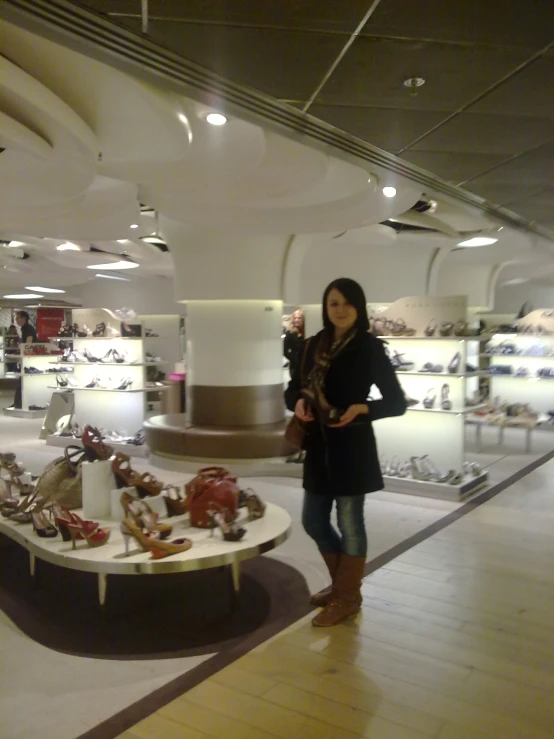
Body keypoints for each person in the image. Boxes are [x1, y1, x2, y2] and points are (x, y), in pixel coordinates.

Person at [285, 278, 406, 627]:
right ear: (325, 307)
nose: (339, 310)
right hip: (319, 446)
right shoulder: (310, 346)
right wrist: (298, 404)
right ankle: (344, 588)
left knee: (351, 524)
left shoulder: (369, 348)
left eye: (347, 303)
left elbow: (396, 403)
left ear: (359, 307)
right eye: (333, 303)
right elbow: (293, 389)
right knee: (313, 520)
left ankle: (346, 597)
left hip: (352, 447)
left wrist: (362, 409)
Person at [8, 311, 37, 410]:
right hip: (27, 357)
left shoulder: (27, 328)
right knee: (22, 381)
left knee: (23, 381)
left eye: (18, 318)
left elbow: (28, 342)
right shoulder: (25, 328)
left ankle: (19, 402)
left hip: (28, 358)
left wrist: (24, 352)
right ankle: (18, 402)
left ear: (24, 318)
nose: (16, 321)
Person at [283, 309, 305, 376]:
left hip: (306, 363)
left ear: (303, 319)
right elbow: (284, 350)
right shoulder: (290, 333)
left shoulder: (307, 331)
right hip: (295, 365)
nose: (297, 320)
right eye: (295, 318)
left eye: (299, 318)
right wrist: (293, 359)